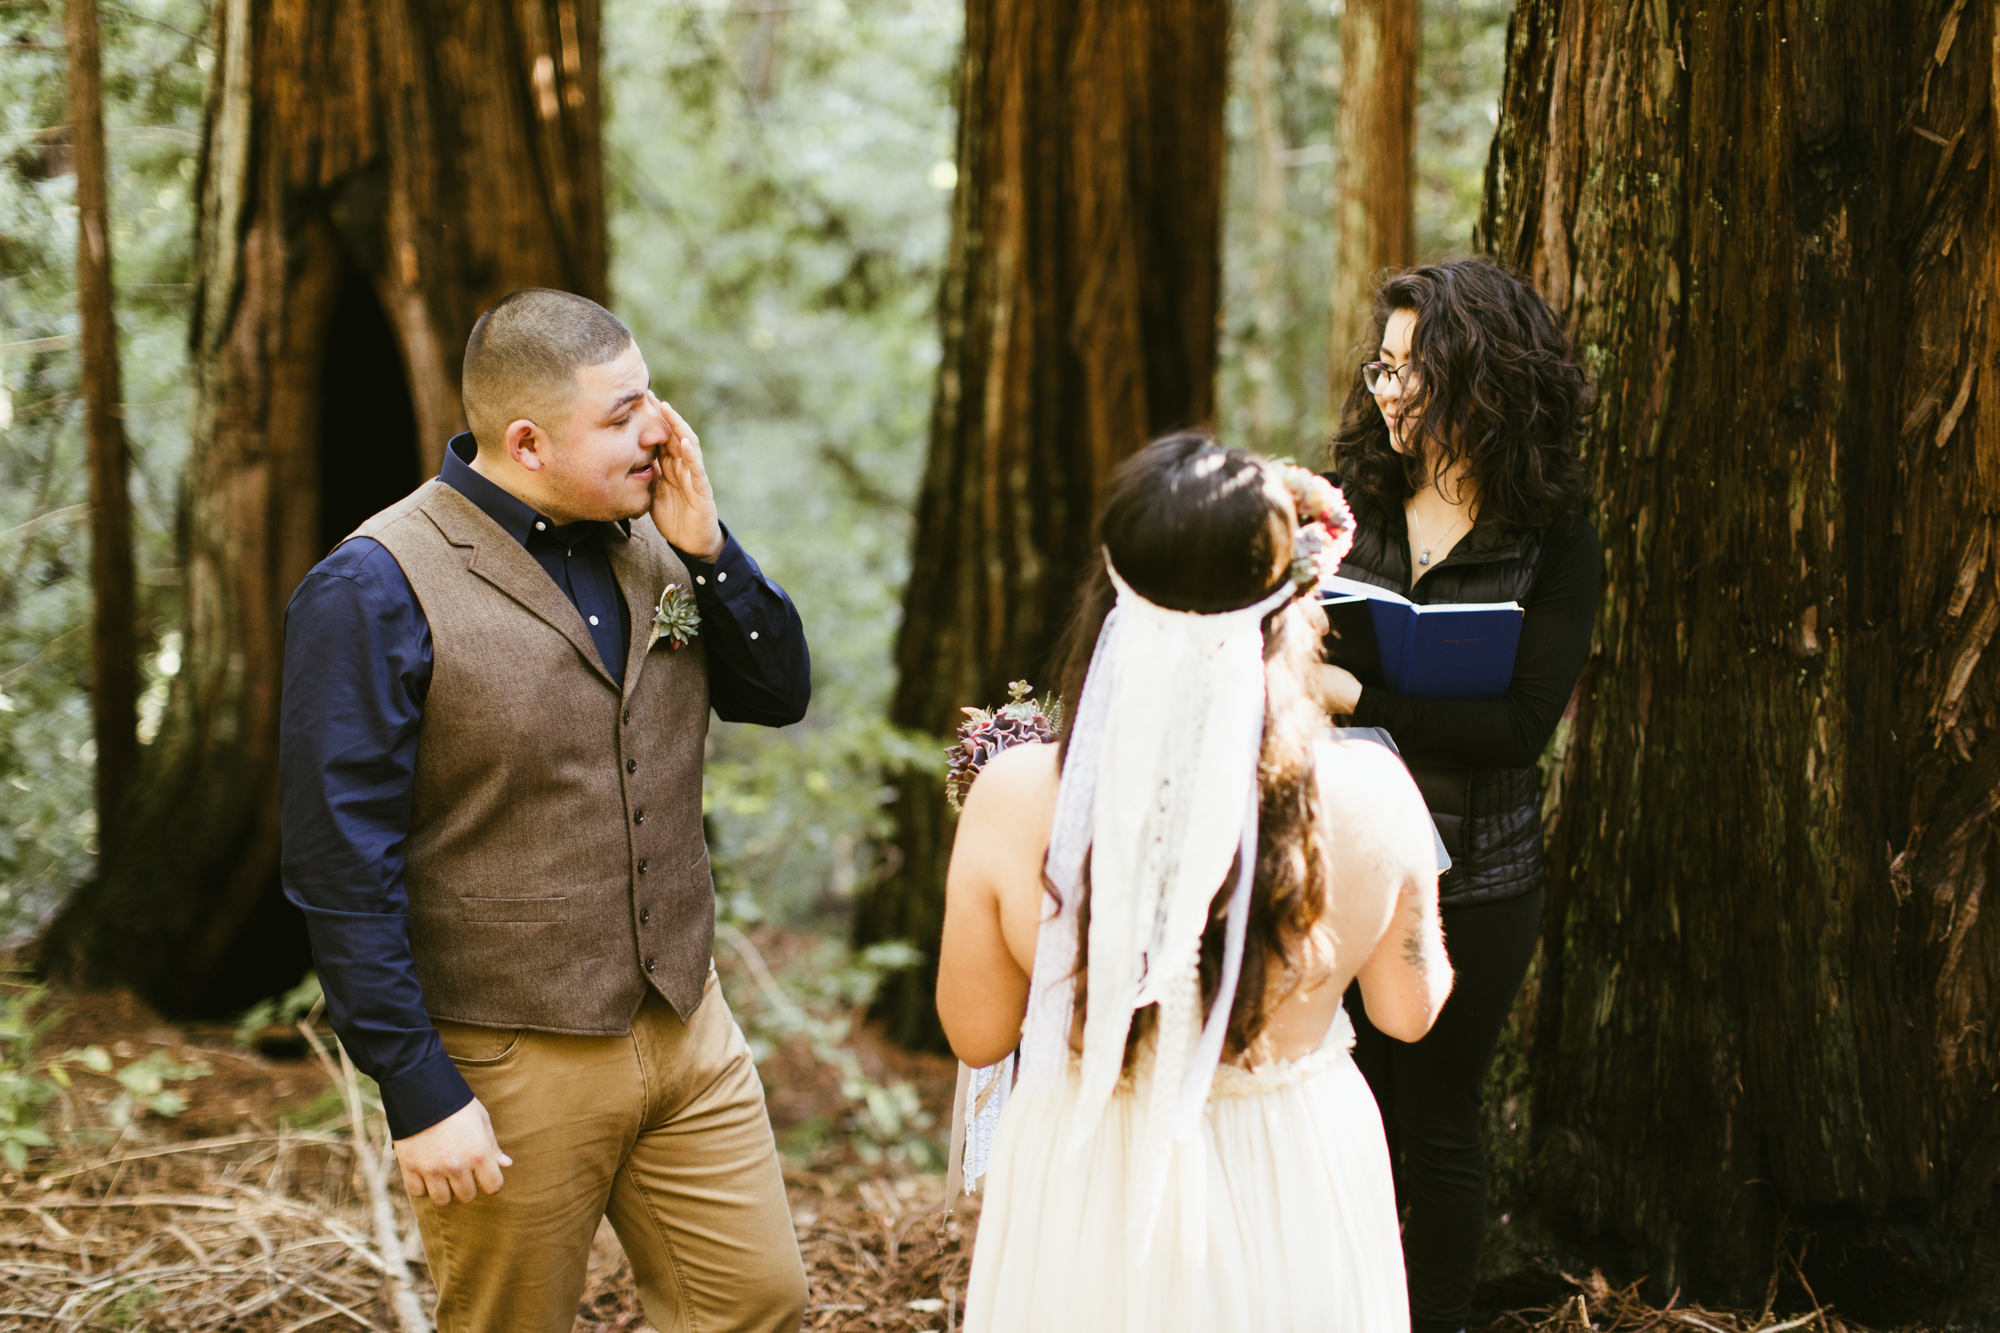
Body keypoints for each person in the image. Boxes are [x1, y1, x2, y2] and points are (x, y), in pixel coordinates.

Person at [279, 289, 811, 1333]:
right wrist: (416, 1086)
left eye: (649, 395)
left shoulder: (656, 531)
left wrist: (708, 549)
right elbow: (341, 863)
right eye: (620, 414)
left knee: (757, 1302)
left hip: (685, 1024)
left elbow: (776, 692)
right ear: (525, 440)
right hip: (509, 1052)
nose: (656, 428)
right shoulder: (373, 585)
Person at [937, 433, 1453, 1331]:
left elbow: (977, 1033)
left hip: (1090, 1171)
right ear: (1294, 601)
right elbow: (1411, 1010)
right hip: (1293, 1169)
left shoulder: (1017, 797)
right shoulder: (1375, 793)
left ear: (1110, 595)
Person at [1317, 257, 1600, 1333]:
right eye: (1377, 368)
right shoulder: (1345, 508)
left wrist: (1365, 695)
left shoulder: (1553, 539)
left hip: (1476, 878)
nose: (1386, 391)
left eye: (1410, 371)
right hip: (1338, 862)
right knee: (1339, 1101)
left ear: (1477, 376)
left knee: (1432, 1120)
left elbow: (1522, 728)